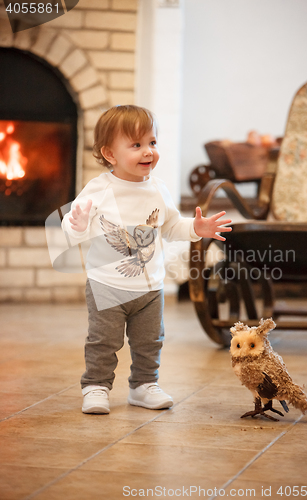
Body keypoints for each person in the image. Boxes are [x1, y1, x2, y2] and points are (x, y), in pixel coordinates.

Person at [62, 105, 232, 414]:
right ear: (110, 154)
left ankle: (143, 385)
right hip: (106, 286)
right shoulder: (99, 189)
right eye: (136, 145)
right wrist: (75, 223)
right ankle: (96, 386)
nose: (148, 152)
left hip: (150, 288)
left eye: (152, 143)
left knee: (150, 341)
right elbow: (73, 228)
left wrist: (195, 228)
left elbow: (169, 228)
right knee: (103, 342)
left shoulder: (158, 189)